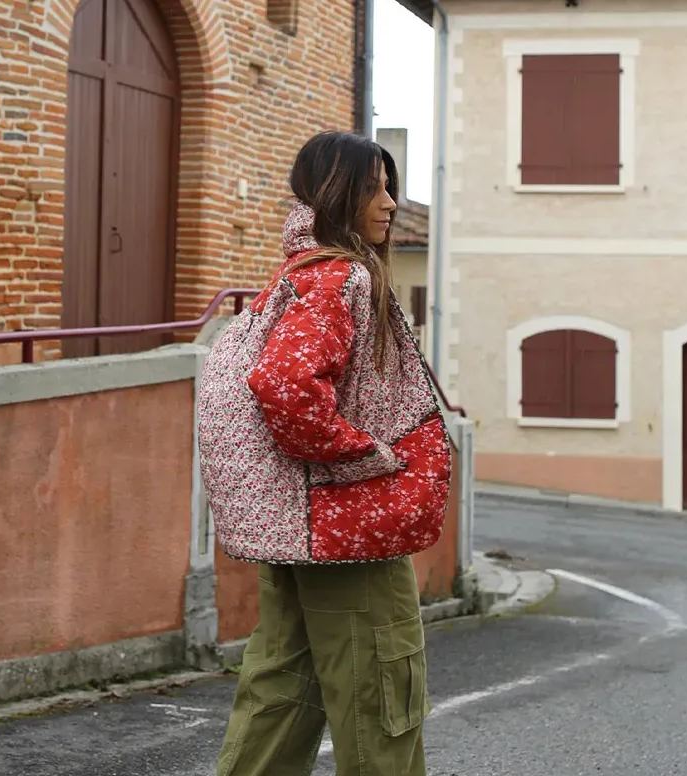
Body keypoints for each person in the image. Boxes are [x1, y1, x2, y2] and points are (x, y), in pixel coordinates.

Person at [198, 131, 452, 776]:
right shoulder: (342, 277)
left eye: (390, 186)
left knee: (283, 689)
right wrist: (362, 455)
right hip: (348, 527)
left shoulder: (300, 274)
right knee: (381, 695)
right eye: (374, 187)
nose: (391, 203)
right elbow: (284, 384)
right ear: (337, 194)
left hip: (303, 522)